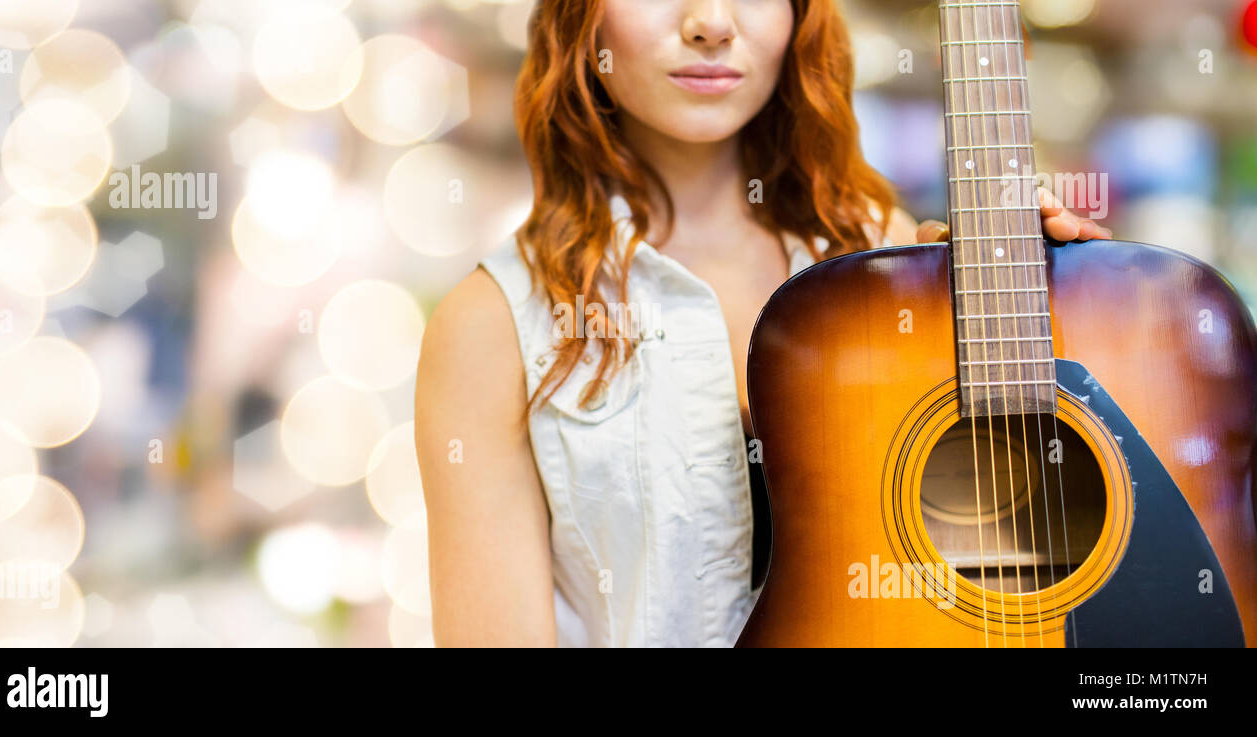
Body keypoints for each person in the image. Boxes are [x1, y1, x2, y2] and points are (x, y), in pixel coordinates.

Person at [415, 0, 1109, 647]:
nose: (711, 22)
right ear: (581, 18)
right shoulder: (492, 326)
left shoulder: (888, 263)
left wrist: (1086, 314)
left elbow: (1003, 556)